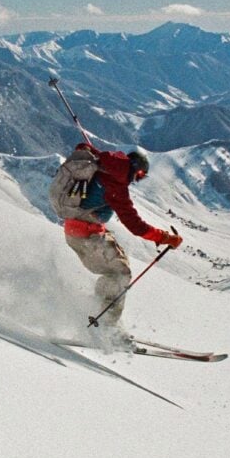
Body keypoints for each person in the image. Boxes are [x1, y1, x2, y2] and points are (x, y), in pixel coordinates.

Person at [63, 142, 182, 342]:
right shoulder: (116, 185)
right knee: (121, 274)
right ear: (134, 168)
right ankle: (108, 330)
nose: (136, 180)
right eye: (140, 175)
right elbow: (136, 226)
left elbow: (84, 147)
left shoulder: (103, 163)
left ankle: (99, 314)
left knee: (117, 268)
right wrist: (165, 238)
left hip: (77, 230)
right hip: (87, 235)